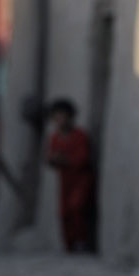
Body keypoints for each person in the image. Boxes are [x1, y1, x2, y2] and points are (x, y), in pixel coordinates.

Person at [46, 99, 96, 252]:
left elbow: (83, 159)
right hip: (64, 181)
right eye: (57, 117)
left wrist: (65, 160)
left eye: (63, 116)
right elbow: (50, 158)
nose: (60, 120)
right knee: (64, 212)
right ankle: (69, 245)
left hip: (80, 180)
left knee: (77, 207)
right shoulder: (55, 137)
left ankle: (82, 241)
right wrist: (54, 160)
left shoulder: (79, 136)